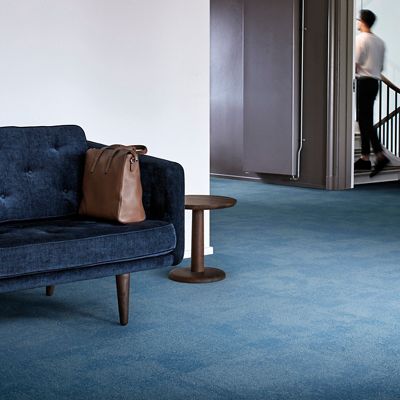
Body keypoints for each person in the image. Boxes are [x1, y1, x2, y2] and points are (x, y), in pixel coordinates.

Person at [354, 9, 388, 177]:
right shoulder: (380, 42)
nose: (357, 22)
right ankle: (366, 157)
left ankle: (377, 155)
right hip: (374, 82)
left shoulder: (360, 39)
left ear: (362, 21)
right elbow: (380, 67)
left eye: (358, 19)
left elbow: (355, 62)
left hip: (364, 82)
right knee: (366, 119)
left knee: (364, 120)